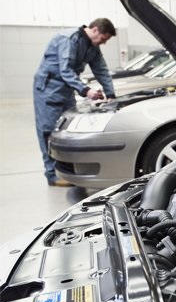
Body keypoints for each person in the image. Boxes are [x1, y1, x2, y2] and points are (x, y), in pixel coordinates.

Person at [33, 18, 117, 186]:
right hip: (48, 89)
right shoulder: (68, 39)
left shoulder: (92, 46)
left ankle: (66, 170)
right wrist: (86, 91)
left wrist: (110, 93)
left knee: (66, 130)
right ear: (95, 30)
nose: (103, 43)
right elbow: (66, 70)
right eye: (103, 39)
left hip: (66, 89)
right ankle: (52, 175)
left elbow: (100, 69)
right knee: (48, 131)